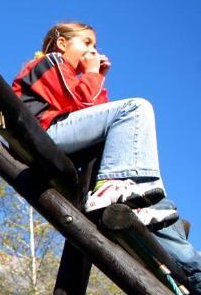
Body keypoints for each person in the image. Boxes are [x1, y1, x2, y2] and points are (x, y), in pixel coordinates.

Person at [11, 21, 177, 229]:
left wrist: (98, 77)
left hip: (60, 136)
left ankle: (131, 201)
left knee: (122, 124)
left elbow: (97, 117)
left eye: (95, 47)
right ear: (62, 43)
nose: (93, 51)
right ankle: (110, 186)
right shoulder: (50, 62)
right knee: (135, 108)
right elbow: (80, 103)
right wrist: (92, 74)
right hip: (43, 133)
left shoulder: (74, 77)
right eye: (87, 43)